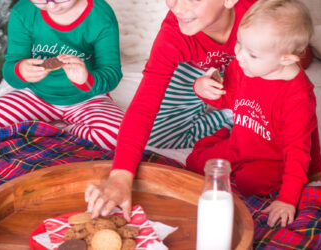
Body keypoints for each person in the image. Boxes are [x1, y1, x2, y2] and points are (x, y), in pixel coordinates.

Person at [85, 0, 258, 220]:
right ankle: (224, 117)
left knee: (262, 131)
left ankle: (235, 112)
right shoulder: (174, 33)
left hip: (249, 65)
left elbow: (291, 84)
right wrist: (120, 176)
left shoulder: (256, 13)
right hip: (194, 68)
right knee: (158, 137)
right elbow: (144, 106)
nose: (177, 7)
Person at [187, 0, 321, 227]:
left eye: (253, 54)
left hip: (274, 156)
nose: (239, 56)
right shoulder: (244, 66)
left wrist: (287, 199)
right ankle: (221, 139)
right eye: (239, 43)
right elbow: (229, 100)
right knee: (195, 163)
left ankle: (231, 151)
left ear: (285, 59)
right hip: (241, 142)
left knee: (251, 183)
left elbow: (297, 151)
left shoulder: (297, 98)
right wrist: (204, 88)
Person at [0, 0, 123, 150]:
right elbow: (11, 68)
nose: (50, 5)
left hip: (87, 98)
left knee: (122, 137)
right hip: (35, 96)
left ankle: (48, 132)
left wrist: (86, 79)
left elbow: (111, 74)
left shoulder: (101, 16)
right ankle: (45, 131)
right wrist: (21, 71)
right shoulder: (24, 11)